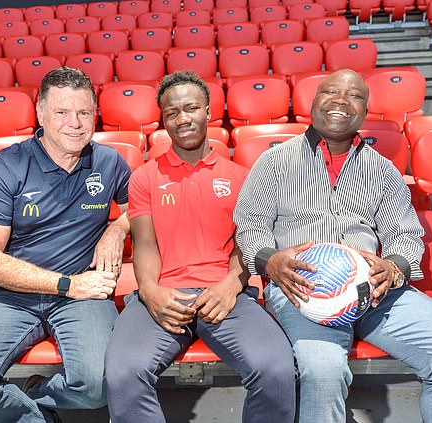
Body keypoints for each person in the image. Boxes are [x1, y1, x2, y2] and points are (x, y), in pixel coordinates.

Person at [233, 69, 432, 423]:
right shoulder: (272, 162)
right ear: (312, 101)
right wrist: (269, 261)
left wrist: (395, 267)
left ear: (365, 111)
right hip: (302, 290)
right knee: (323, 373)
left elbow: (405, 234)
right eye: (330, 92)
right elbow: (250, 226)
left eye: (354, 95)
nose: (340, 100)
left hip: (374, 289)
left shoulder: (383, 170)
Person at [0, 67, 132, 423]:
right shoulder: (6, 166)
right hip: (14, 294)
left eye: (84, 112)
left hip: (83, 297)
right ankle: (32, 411)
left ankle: (36, 394)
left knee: (99, 385)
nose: (75, 123)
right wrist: (66, 284)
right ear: (40, 113)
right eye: (62, 112)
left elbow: (139, 210)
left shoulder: (108, 162)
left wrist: (117, 228)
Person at [104, 70, 296, 423]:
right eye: (172, 112)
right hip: (165, 294)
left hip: (226, 295)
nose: (182, 118)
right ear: (163, 120)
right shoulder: (145, 177)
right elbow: (145, 243)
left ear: (208, 112)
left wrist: (229, 285)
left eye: (190, 108)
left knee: (277, 371)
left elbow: (247, 243)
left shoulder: (241, 177)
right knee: (122, 375)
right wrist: (149, 291)